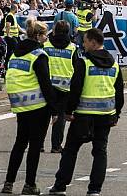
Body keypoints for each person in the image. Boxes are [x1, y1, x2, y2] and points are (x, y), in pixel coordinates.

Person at [47, 27, 124, 196]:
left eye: (86, 41)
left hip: (82, 115)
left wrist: (68, 111)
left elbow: (75, 88)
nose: (83, 43)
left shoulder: (84, 62)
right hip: (105, 116)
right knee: (100, 151)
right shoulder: (115, 64)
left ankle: (60, 186)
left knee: (70, 150)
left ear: (94, 43)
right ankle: (95, 189)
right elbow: (119, 92)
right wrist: (117, 114)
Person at [1, 20, 56, 195]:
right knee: (35, 146)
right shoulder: (39, 55)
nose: (47, 38)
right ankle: (29, 184)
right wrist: (54, 109)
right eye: (45, 34)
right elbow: (45, 84)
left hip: (20, 104)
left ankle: (8, 183)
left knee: (19, 143)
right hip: (38, 105)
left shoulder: (16, 53)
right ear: (38, 36)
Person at [44, 20, 76, 154]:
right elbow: (77, 67)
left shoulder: (45, 45)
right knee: (61, 117)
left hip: (47, 85)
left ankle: (38, 144)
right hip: (65, 86)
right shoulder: (72, 48)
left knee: (44, 115)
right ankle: (56, 146)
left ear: (54, 31)